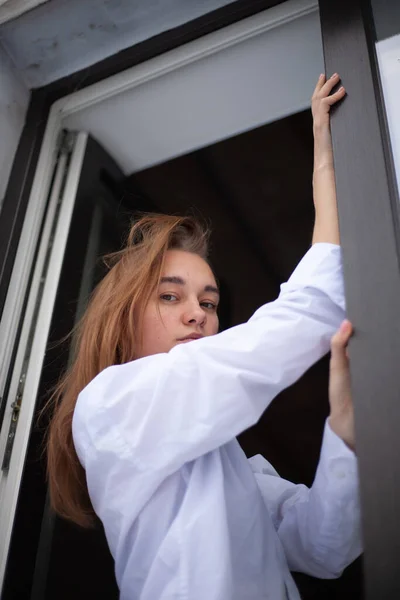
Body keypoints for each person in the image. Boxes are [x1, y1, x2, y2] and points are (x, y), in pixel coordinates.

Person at [47, 74, 361, 600]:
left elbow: (323, 547)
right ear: (121, 317)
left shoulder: (229, 465)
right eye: (170, 296)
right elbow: (302, 318)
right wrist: (327, 168)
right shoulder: (110, 405)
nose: (197, 314)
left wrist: (346, 430)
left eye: (209, 303)